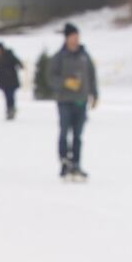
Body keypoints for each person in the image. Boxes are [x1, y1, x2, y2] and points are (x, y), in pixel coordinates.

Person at [47, 22, 98, 181]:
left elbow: (91, 75)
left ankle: (76, 163)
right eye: (73, 36)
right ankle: (64, 162)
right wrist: (64, 83)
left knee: (78, 135)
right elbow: (50, 77)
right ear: (67, 38)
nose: (76, 39)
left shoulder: (84, 55)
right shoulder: (60, 56)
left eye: (77, 36)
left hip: (80, 100)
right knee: (64, 132)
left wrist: (94, 94)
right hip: (65, 100)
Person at [0, 42, 24, 120]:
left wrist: (9, 72)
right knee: (7, 96)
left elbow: (19, 63)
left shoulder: (9, 55)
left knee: (10, 96)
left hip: (11, 81)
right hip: (4, 81)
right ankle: (10, 110)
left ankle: (11, 110)